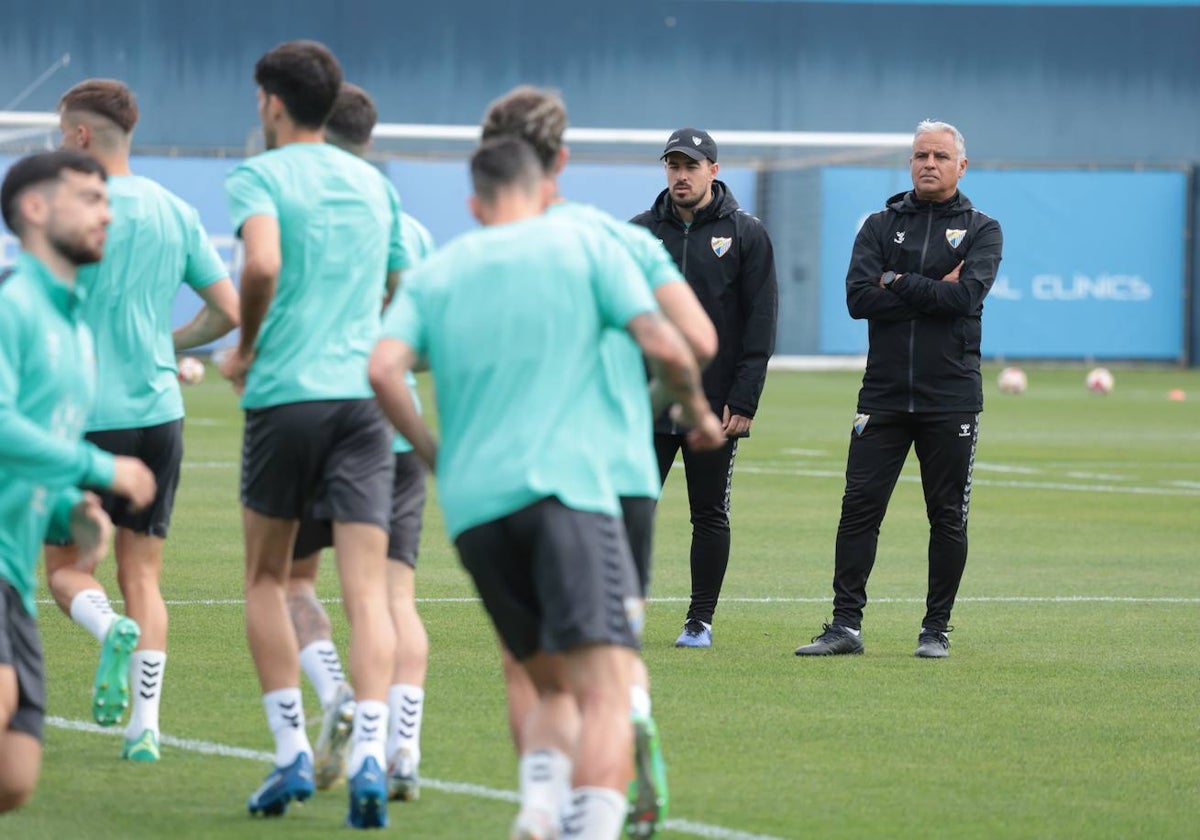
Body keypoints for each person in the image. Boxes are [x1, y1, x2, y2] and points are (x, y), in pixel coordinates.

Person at [368, 135, 723, 840]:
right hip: (571, 491)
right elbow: (671, 343)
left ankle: (536, 808)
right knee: (607, 689)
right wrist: (692, 407)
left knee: (546, 682)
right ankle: (587, 824)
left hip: (475, 510)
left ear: (473, 203)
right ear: (546, 187)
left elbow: (383, 369)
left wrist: (437, 453)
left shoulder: (441, 270)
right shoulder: (587, 248)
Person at [480, 84, 717, 838]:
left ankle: (542, 805)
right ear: (563, 156)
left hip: (524, 474)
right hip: (620, 473)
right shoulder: (621, 240)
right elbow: (696, 342)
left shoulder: (488, 251)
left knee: (534, 664)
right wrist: (661, 406)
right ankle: (633, 729)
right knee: (615, 653)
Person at [219, 40, 407, 829]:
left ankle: (293, 748)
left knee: (268, 578)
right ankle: (370, 754)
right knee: (367, 593)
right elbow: (399, 280)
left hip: (287, 396)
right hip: (362, 404)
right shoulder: (373, 183)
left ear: (270, 102)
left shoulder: (258, 175)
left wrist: (246, 343)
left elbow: (258, 266)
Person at [42, 79, 239, 762]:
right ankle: (146, 726)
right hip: (158, 414)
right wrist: (169, 344)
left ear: (81, 135)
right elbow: (227, 313)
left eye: (60, 129)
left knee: (67, 569)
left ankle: (106, 633)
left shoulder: (67, 208)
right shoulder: (176, 210)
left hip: (81, 417)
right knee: (144, 577)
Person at [794, 120, 1003, 659]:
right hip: (882, 395)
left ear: (961, 165)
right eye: (919, 155)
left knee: (947, 515)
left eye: (939, 155)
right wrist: (928, 287)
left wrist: (896, 280)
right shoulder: (879, 226)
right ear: (909, 163)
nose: (928, 163)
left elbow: (965, 300)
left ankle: (935, 630)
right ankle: (845, 626)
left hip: (950, 396)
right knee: (858, 508)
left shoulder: (983, 229)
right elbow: (858, 299)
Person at [284, 81, 433, 801]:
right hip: (398, 434)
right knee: (395, 600)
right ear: (372, 135)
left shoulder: (306, 206)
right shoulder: (406, 220)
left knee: (290, 581)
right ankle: (403, 748)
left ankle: (337, 691)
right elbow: (425, 346)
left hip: (326, 418)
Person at [0, 149, 156, 811]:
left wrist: (71, 507)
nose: (106, 213)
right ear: (36, 209)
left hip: (14, 570)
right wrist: (100, 468)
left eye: (107, 201)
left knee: (13, 779)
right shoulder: (13, 306)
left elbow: (31, 449)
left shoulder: (76, 326)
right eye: (90, 199)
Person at [630, 128, 778, 649]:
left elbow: (759, 323)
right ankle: (623, 610)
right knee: (632, 507)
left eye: (690, 165)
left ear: (713, 170)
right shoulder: (639, 233)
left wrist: (745, 397)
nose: (680, 174)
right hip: (646, 400)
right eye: (672, 165)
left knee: (709, 512)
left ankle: (700, 620)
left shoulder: (746, 233)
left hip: (714, 404)